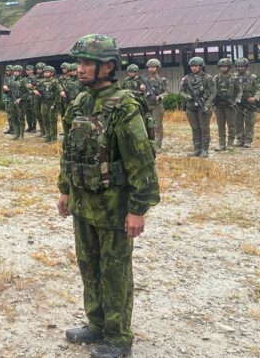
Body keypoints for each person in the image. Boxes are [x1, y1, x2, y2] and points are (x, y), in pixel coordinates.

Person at [58, 34, 159, 358]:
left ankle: (118, 339)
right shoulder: (80, 103)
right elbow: (69, 151)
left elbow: (140, 159)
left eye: (87, 63)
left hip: (114, 208)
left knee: (114, 270)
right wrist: (64, 190)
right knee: (89, 266)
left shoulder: (125, 105)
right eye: (79, 62)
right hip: (84, 203)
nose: (80, 69)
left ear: (108, 67)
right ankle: (97, 324)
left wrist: (138, 209)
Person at [180, 57, 216, 157]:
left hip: (203, 107)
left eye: (196, 66)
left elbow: (213, 93)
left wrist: (207, 104)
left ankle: (205, 150)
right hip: (191, 107)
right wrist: (187, 96)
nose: (193, 68)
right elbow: (181, 91)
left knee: (204, 129)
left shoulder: (208, 78)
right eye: (192, 66)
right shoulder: (187, 78)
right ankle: (197, 149)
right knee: (195, 129)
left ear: (201, 66)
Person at [212, 58, 241, 152]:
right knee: (220, 126)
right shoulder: (216, 78)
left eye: (225, 66)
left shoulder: (234, 78)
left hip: (230, 105)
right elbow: (212, 91)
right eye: (221, 66)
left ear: (229, 67)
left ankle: (230, 144)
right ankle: (221, 144)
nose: (223, 68)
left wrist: (236, 101)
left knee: (231, 125)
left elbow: (239, 91)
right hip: (219, 105)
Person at [233, 57, 260, 148]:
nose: (240, 68)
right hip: (237, 102)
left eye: (242, 66)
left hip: (249, 102)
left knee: (249, 122)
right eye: (238, 66)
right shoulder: (233, 77)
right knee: (238, 122)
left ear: (246, 67)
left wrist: (255, 98)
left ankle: (248, 140)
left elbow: (259, 89)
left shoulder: (252, 77)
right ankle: (240, 139)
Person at [143, 59, 168, 149]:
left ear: (157, 68)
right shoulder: (145, 80)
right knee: (147, 125)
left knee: (157, 126)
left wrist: (160, 96)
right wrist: (142, 89)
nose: (151, 69)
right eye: (149, 67)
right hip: (147, 105)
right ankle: (149, 144)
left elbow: (166, 92)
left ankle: (157, 145)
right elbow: (142, 92)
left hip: (157, 106)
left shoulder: (162, 80)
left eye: (153, 67)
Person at [35, 65, 63, 143]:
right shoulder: (41, 81)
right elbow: (34, 88)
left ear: (52, 73)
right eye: (45, 72)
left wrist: (54, 104)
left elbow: (58, 93)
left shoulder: (55, 81)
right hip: (43, 103)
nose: (46, 74)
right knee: (45, 119)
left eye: (48, 72)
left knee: (52, 120)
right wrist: (35, 91)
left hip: (52, 103)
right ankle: (47, 135)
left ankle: (53, 137)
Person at [7, 65, 29, 140]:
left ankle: (21, 135)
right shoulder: (11, 81)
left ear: (20, 72)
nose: (15, 73)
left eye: (17, 71)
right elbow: (8, 92)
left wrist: (20, 98)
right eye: (14, 71)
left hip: (21, 103)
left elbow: (27, 92)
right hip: (12, 102)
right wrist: (5, 90)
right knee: (14, 117)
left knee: (21, 118)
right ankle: (16, 134)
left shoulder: (23, 81)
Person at [24, 64, 39, 133]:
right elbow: (24, 87)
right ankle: (29, 127)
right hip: (27, 98)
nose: (27, 71)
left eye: (29, 70)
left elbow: (36, 87)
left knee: (33, 113)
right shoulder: (25, 79)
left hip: (33, 98)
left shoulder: (35, 78)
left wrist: (30, 86)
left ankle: (34, 128)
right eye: (26, 70)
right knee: (27, 113)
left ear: (32, 70)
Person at [2, 65, 15, 134]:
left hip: (12, 98)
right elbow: (4, 87)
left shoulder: (14, 78)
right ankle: (11, 128)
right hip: (6, 98)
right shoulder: (6, 78)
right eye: (6, 70)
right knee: (8, 114)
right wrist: (4, 87)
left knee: (13, 114)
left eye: (9, 70)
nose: (7, 72)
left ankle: (15, 129)